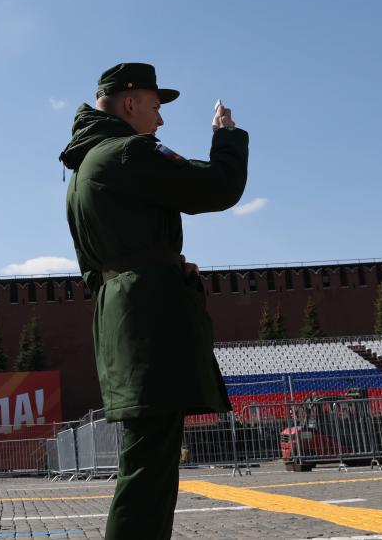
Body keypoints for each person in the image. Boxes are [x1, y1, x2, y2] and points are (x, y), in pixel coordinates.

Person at [59, 62, 248, 540]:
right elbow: (216, 188)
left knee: (150, 457)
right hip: (148, 320)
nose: (160, 121)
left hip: (124, 312)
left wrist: (157, 266)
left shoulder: (84, 165)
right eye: (155, 107)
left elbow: (98, 262)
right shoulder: (127, 152)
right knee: (149, 464)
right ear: (129, 104)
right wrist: (226, 137)